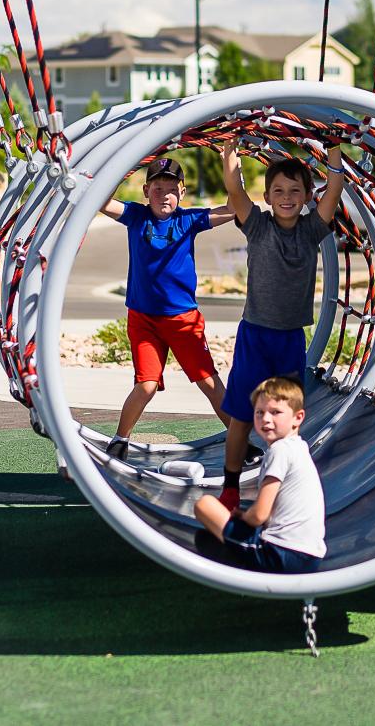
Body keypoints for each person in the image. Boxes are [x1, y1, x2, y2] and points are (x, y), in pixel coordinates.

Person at [216, 138, 346, 510]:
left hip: (290, 338)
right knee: (242, 414)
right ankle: (229, 485)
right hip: (255, 334)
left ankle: (285, 482)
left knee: (286, 417)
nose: (286, 197)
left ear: (307, 196)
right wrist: (230, 154)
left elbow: (334, 187)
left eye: (294, 190)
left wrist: (333, 148)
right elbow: (235, 189)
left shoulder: (311, 231)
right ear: (268, 197)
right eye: (278, 191)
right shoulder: (256, 226)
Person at [99, 156, 236, 458]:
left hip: (182, 319)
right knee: (146, 385)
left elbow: (233, 208)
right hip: (144, 319)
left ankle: (239, 440)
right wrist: (124, 167)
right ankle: (120, 439)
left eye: (171, 189)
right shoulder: (136, 216)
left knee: (208, 381)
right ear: (146, 191)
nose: (164, 195)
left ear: (182, 193)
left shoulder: (189, 220)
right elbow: (102, 202)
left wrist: (229, 165)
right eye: (158, 189)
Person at [193, 376, 326, 573]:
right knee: (208, 537)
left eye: (275, 413)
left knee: (205, 506)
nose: (266, 419)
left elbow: (260, 515)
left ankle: (241, 567)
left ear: (298, 417)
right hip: (309, 556)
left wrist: (245, 517)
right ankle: (237, 558)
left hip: (282, 553)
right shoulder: (298, 447)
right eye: (259, 413)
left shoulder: (279, 451)